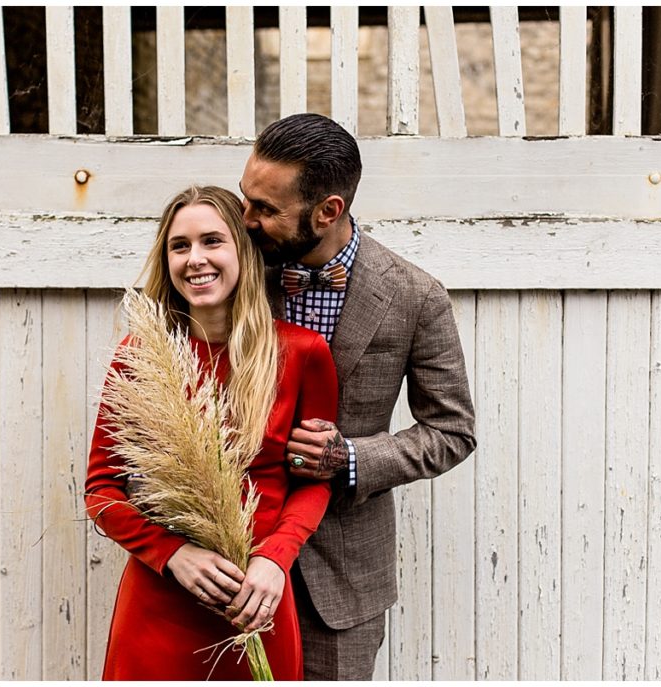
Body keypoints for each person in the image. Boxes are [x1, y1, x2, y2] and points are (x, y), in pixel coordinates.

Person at [238, 113, 477, 680]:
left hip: (339, 581)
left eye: (266, 209)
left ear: (328, 211)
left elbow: (452, 431)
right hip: (231, 557)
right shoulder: (236, 270)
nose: (245, 220)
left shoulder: (415, 296)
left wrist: (349, 459)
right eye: (245, 199)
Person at [85, 185, 340, 680]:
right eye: (180, 246)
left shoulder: (302, 353)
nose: (195, 259)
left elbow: (313, 479)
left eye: (212, 241)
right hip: (161, 598)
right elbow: (102, 490)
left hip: (257, 595)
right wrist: (172, 554)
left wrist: (275, 559)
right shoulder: (140, 356)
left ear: (243, 250)